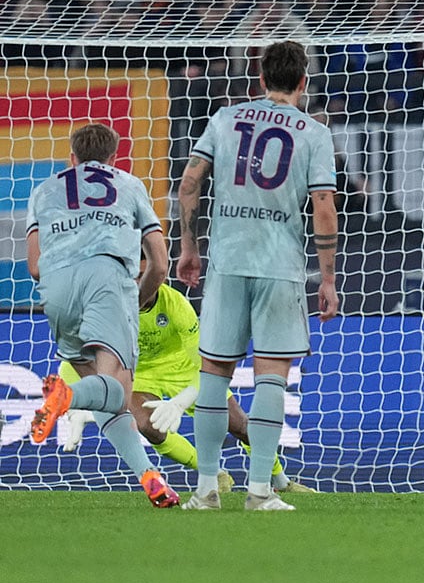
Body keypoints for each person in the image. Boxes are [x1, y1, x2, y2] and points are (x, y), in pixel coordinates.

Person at [177, 40, 339, 511]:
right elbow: (324, 207)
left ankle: (207, 489)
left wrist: (189, 248)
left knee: (213, 377)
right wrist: (327, 279)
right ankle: (260, 492)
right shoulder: (314, 132)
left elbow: (189, 182)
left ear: (261, 78)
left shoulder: (225, 118)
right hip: (279, 267)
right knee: (272, 377)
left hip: (226, 262)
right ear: (304, 83)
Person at [26, 122, 180, 508]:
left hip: (57, 288)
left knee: (106, 396)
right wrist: (138, 299)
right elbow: (160, 263)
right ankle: (65, 396)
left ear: (72, 157)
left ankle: (149, 477)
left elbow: (34, 266)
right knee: (119, 391)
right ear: (114, 158)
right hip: (108, 281)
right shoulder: (128, 185)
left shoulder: (44, 191)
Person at [58, 274, 318, 495]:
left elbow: (206, 366)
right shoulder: (110, 309)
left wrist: (181, 401)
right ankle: (214, 472)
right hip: (140, 374)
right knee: (148, 426)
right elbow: (72, 362)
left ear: (155, 279)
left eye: (143, 276)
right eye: (132, 277)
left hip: (184, 368)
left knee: (240, 426)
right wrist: (75, 404)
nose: (137, 284)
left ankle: (280, 481)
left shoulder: (176, 305)